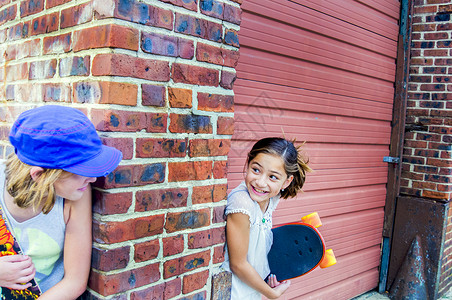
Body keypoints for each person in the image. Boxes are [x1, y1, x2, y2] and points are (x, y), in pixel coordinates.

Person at [0, 105, 122, 299]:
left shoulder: (76, 196)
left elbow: (74, 281)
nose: (92, 179)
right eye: (81, 171)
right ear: (40, 175)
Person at [222, 137, 311, 299]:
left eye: (273, 177)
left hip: (253, 290)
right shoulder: (242, 203)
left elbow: (257, 250)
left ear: (287, 181)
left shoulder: (270, 199)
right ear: (248, 163)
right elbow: (238, 264)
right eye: (256, 170)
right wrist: (271, 293)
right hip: (234, 293)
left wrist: (267, 279)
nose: (261, 182)